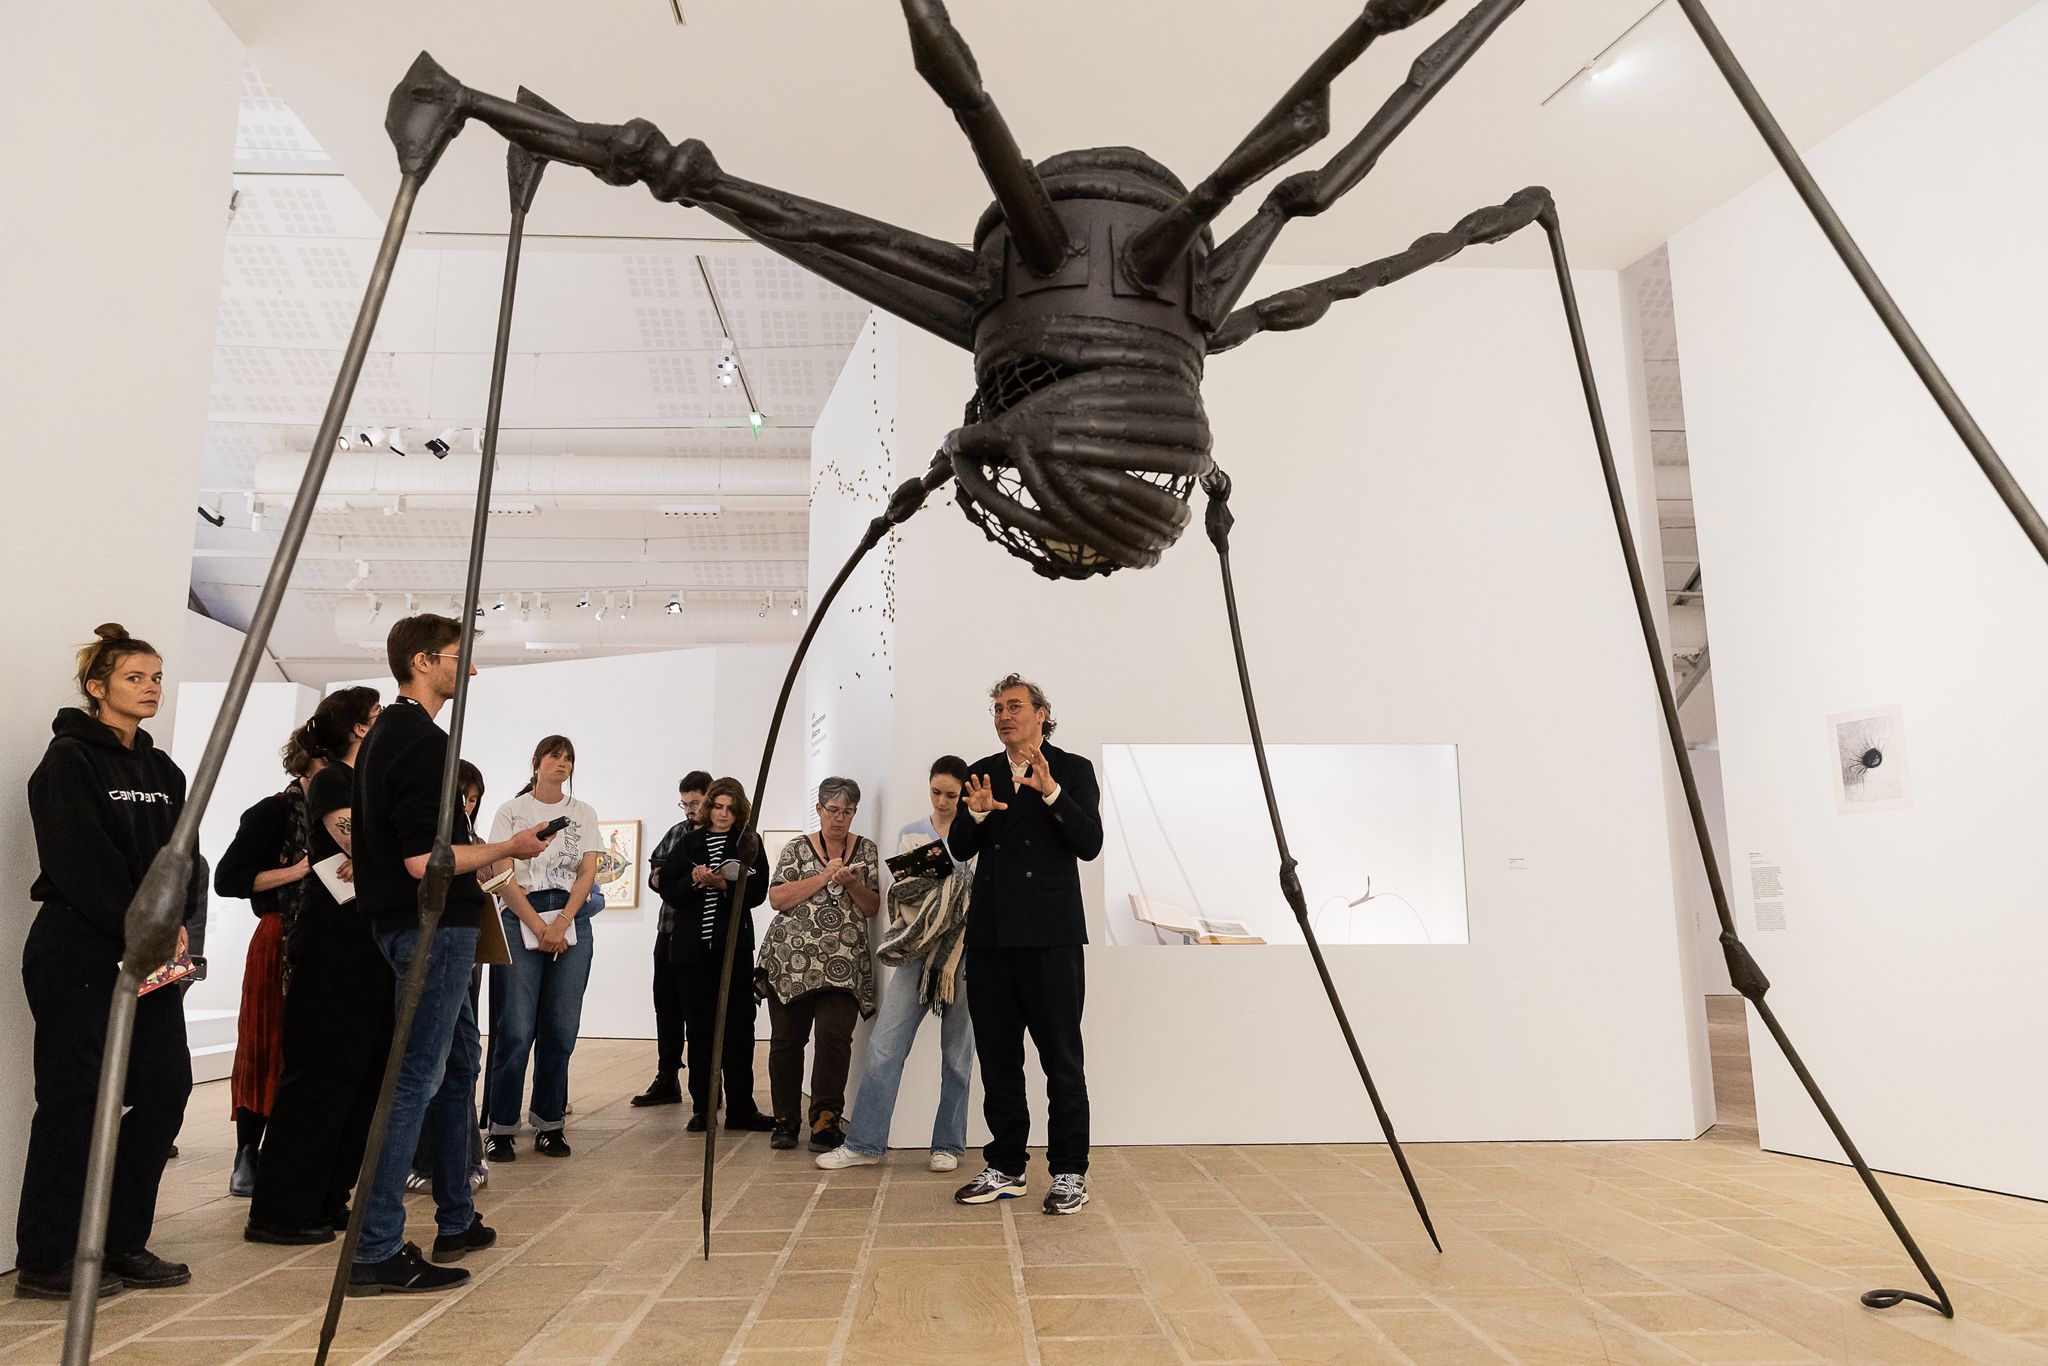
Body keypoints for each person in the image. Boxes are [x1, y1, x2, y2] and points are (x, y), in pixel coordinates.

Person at [349, 614, 546, 1294]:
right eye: (461, 659)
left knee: (459, 1064)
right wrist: (507, 850)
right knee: (415, 1080)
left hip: (434, 926)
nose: (471, 671)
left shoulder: (392, 737)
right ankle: (374, 1248)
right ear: (424, 660)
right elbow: (419, 860)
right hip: (429, 925)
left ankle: (456, 1216)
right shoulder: (419, 741)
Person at [15, 624, 202, 1300]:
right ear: (98, 688)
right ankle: (46, 1259)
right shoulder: (68, 761)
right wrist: (141, 929)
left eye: (155, 677)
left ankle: (121, 1242)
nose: (150, 688)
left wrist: (180, 926)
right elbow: (77, 861)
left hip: (153, 954)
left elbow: (188, 860)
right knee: (76, 1102)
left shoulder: (163, 771)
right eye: (134, 678)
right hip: (80, 947)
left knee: (162, 1089)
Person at [947, 674, 1102, 1216]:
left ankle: (1068, 1173)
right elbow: (960, 849)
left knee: (1061, 1058)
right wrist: (977, 813)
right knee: (998, 1058)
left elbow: (1090, 843)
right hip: (992, 939)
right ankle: (1007, 1166)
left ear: (1041, 713)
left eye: (1014, 706)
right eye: (997, 708)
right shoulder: (981, 773)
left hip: (1053, 941)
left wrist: (1052, 792)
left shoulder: (1074, 769)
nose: (1003, 715)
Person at [246, 686, 388, 1246]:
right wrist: (377, 854)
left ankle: (326, 1198)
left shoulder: (363, 785)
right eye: (375, 718)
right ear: (356, 727)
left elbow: (376, 852)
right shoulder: (332, 779)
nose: (381, 727)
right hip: (332, 951)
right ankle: (280, 1210)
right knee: (318, 1080)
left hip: (364, 948)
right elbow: (370, 847)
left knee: (358, 1078)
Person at [817, 757, 977, 1173]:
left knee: (958, 1056)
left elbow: (978, 899)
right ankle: (865, 1143)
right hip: (914, 954)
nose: (942, 802)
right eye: (936, 792)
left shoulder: (977, 838)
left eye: (951, 795)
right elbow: (904, 898)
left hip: (962, 957)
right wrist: (943, 901)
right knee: (885, 1048)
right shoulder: (912, 833)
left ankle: (948, 1145)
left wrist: (948, 898)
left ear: (964, 795)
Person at [484, 736, 603, 1160]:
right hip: (521, 915)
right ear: (535, 762)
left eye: (569, 757)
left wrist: (565, 921)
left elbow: (588, 870)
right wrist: (537, 924)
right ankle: (501, 1126)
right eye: (555, 756)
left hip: (571, 917)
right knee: (515, 1027)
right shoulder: (512, 811)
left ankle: (550, 1123)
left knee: (560, 1026)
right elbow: (501, 870)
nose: (563, 763)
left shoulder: (582, 813)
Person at [213, 732, 317, 1198]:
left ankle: (297, 1150)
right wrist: (298, 870)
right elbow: (229, 879)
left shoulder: (348, 812)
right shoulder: (272, 812)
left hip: (329, 937)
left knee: (313, 1047)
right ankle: (248, 1152)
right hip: (279, 935)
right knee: (264, 1042)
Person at [756, 777, 881, 1152]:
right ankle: (785, 1122)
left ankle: (826, 1122)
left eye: (847, 811)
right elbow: (777, 897)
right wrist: (825, 876)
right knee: (786, 1043)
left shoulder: (866, 850)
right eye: (833, 810)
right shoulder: (797, 848)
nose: (839, 818)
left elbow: (872, 906)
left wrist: (853, 883)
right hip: (790, 963)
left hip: (844, 964)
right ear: (820, 809)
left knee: (834, 1040)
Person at [656, 776, 776, 1133]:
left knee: (739, 1029)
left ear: (739, 811)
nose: (723, 815)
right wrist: (695, 880)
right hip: (691, 953)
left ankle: (741, 1108)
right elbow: (671, 891)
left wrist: (724, 883)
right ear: (709, 807)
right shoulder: (689, 842)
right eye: (718, 807)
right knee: (700, 1031)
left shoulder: (748, 842)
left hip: (732, 950)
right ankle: (704, 1108)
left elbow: (757, 891)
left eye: (731, 809)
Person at [633, 769, 711, 1108]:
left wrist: (674, 880)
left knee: (700, 1010)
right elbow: (656, 874)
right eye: (684, 803)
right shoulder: (677, 832)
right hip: (668, 930)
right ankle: (667, 1077)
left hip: (703, 936)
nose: (689, 810)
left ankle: (709, 1083)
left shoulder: (721, 835)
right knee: (665, 1005)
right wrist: (669, 880)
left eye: (695, 802)